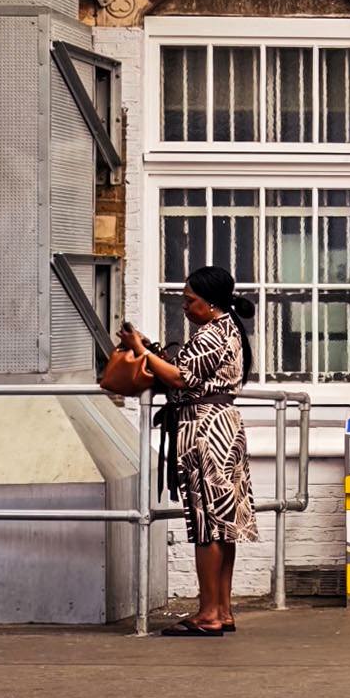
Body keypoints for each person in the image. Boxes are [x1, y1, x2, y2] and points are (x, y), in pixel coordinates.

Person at [112, 260, 258, 636]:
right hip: (225, 426)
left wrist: (140, 351)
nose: (185, 306)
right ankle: (222, 610)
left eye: (190, 299)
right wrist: (149, 349)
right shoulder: (231, 329)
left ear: (210, 303)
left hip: (204, 429)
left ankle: (208, 614)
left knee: (206, 524)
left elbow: (180, 377)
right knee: (222, 524)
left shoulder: (210, 334)